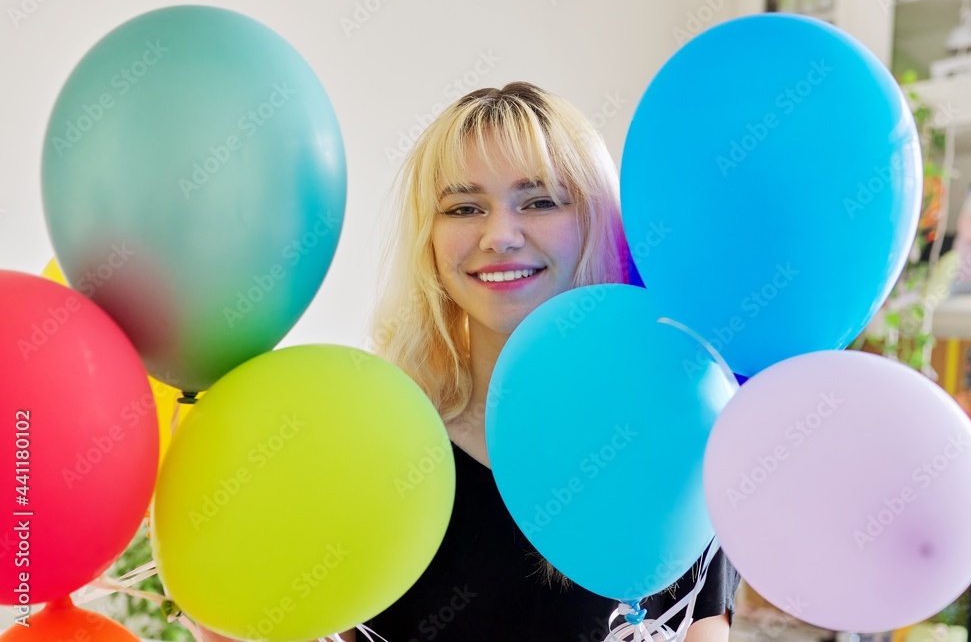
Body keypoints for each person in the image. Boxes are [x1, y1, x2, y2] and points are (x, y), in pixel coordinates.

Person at [198, 82, 739, 642]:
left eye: (540, 201)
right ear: (429, 240)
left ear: (595, 219)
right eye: (463, 208)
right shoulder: (376, 450)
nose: (499, 236)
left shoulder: (674, 437)